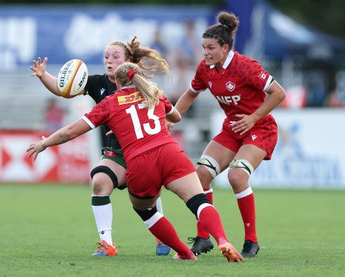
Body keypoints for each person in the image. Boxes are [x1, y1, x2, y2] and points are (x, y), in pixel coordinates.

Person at [27, 62, 243, 262]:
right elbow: (176, 117)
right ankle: (222, 239)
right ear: (138, 78)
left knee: (146, 210)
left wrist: (45, 144)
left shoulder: (110, 103)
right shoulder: (154, 94)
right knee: (198, 202)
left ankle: (184, 252)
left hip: (140, 162)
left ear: (117, 83)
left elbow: (71, 131)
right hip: (170, 153)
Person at [30, 36, 171, 256]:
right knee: (99, 182)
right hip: (116, 152)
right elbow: (63, 89)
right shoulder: (98, 83)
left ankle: (163, 238)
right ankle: (107, 244)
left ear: (128, 61)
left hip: (143, 149)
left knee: (148, 196)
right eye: (106, 56)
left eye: (116, 57)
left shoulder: (142, 85)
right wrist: (43, 76)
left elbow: (163, 115)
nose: (109, 61)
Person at [169, 11, 286, 258]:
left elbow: (279, 93)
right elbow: (190, 94)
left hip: (260, 128)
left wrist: (254, 117)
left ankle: (251, 241)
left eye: (210, 48)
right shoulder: (206, 69)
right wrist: (172, 119)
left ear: (225, 47)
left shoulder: (246, 67)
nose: (205, 53)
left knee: (236, 176)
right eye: (203, 48)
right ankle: (203, 238)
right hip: (232, 129)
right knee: (199, 175)